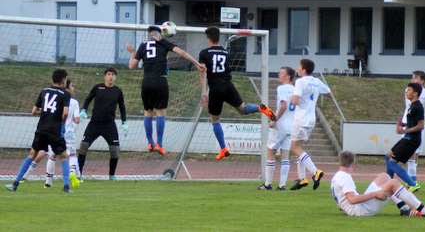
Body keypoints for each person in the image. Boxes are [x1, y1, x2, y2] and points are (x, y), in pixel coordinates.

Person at [199, 26, 276, 160]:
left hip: (215, 88)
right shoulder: (226, 52)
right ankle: (260, 107)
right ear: (219, 38)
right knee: (243, 109)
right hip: (228, 85)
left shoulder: (204, 53)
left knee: (214, 119)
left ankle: (223, 148)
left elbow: (203, 71)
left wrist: (204, 92)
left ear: (209, 39)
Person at [126, 26, 205, 155]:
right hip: (160, 81)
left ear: (148, 36)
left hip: (146, 82)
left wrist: (132, 53)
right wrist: (196, 63)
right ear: (159, 36)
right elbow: (182, 53)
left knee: (148, 112)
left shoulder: (143, 45)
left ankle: (150, 142)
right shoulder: (162, 42)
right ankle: (160, 144)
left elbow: (131, 66)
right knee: (161, 113)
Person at [5, 69, 73, 192]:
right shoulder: (65, 94)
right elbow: (65, 112)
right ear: (63, 80)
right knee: (63, 157)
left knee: (32, 154)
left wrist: (46, 111)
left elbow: (34, 111)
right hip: (55, 130)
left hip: (42, 128)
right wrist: (60, 119)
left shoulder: (44, 91)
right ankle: (66, 187)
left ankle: (15, 184)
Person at [331, 150, 425, 217]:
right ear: (353, 164)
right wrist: (375, 194)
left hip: (355, 208)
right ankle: (424, 210)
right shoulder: (345, 177)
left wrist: (342, 205)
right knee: (393, 183)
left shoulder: (337, 176)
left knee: (384, 176)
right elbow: (352, 200)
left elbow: (344, 200)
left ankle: (405, 209)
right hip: (360, 211)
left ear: (339, 163)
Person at [20, 79, 81, 189]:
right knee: (69, 155)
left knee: (49, 155)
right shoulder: (72, 100)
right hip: (64, 131)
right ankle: (72, 175)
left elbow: (37, 110)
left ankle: (47, 182)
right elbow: (76, 119)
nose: (73, 88)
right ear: (66, 85)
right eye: (72, 85)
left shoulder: (50, 94)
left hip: (48, 129)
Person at [78, 66, 128, 181]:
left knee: (115, 150)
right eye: (109, 74)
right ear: (105, 76)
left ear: (115, 77)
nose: (111, 76)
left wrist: (124, 122)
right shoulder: (97, 88)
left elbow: (122, 107)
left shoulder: (118, 91)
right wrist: (84, 110)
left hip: (109, 125)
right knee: (83, 146)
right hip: (95, 123)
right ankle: (79, 173)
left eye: (113, 75)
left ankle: (111, 175)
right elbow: (88, 99)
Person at [289, 59, 332, 191]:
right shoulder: (317, 81)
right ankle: (302, 178)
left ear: (304, 70)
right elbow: (329, 93)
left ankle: (315, 172)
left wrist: (292, 98)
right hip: (311, 118)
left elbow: (295, 101)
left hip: (301, 118)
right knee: (299, 148)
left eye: (299, 66)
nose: (297, 68)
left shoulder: (300, 82)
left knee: (294, 148)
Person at [258, 66, 296, 191]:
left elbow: (283, 105)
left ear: (288, 76)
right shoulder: (295, 90)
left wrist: (274, 120)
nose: (279, 74)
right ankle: (282, 185)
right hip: (291, 127)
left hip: (280, 126)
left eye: (282, 73)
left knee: (271, 153)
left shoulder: (282, 88)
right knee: (285, 156)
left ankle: (268, 184)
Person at [387, 83, 423, 192]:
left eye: (409, 90)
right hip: (408, 137)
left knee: (392, 162)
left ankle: (413, 184)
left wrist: (405, 130)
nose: (406, 92)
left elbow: (421, 125)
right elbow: (413, 123)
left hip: (412, 140)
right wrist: (403, 125)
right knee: (388, 156)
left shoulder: (417, 106)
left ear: (415, 93)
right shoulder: (412, 105)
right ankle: (388, 183)